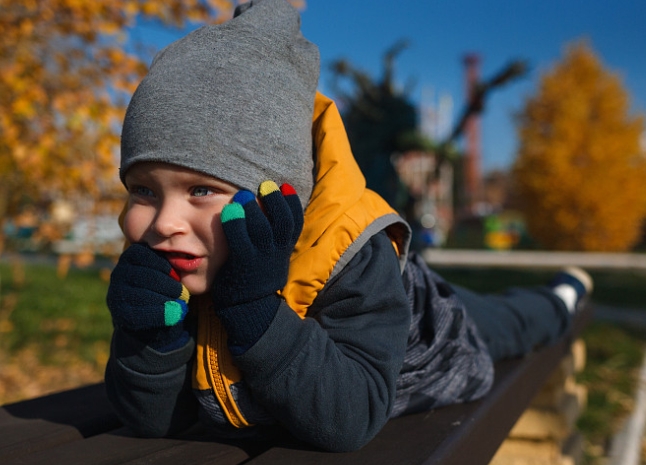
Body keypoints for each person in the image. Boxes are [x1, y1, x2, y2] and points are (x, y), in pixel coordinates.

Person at [105, 0, 593, 452]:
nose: (165, 222)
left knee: (511, 322)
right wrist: (150, 338)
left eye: (201, 191)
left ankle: (562, 295)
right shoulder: (182, 263)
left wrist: (257, 312)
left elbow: (350, 418)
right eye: (144, 190)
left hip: (430, 329)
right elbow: (153, 422)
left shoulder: (350, 252)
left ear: (277, 197)